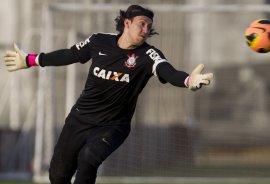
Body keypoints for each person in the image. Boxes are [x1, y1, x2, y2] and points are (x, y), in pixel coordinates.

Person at [4, 4, 213, 184]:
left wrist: (188, 81)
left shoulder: (149, 55)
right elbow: (71, 54)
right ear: (127, 23)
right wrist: (31, 59)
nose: (146, 29)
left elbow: (168, 72)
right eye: (142, 23)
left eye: (149, 26)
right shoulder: (98, 41)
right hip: (79, 119)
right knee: (58, 175)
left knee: (88, 159)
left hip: (113, 126)